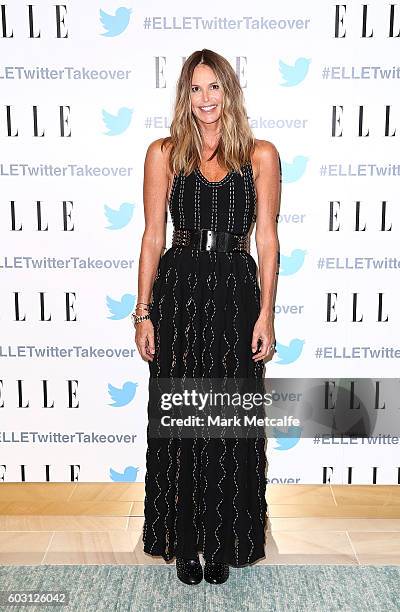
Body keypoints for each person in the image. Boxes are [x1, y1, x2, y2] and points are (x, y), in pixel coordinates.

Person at [134, 48, 280, 585]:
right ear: (183, 94)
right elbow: (153, 236)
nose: (205, 99)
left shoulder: (260, 155)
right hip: (179, 295)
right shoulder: (164, 153)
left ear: (230, 92)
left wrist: (266, 314)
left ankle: (222, 540)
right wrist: (143, 312)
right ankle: (187, 542)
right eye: (195, 88)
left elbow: (267, 239)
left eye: (214, 87)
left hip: (237, 295)